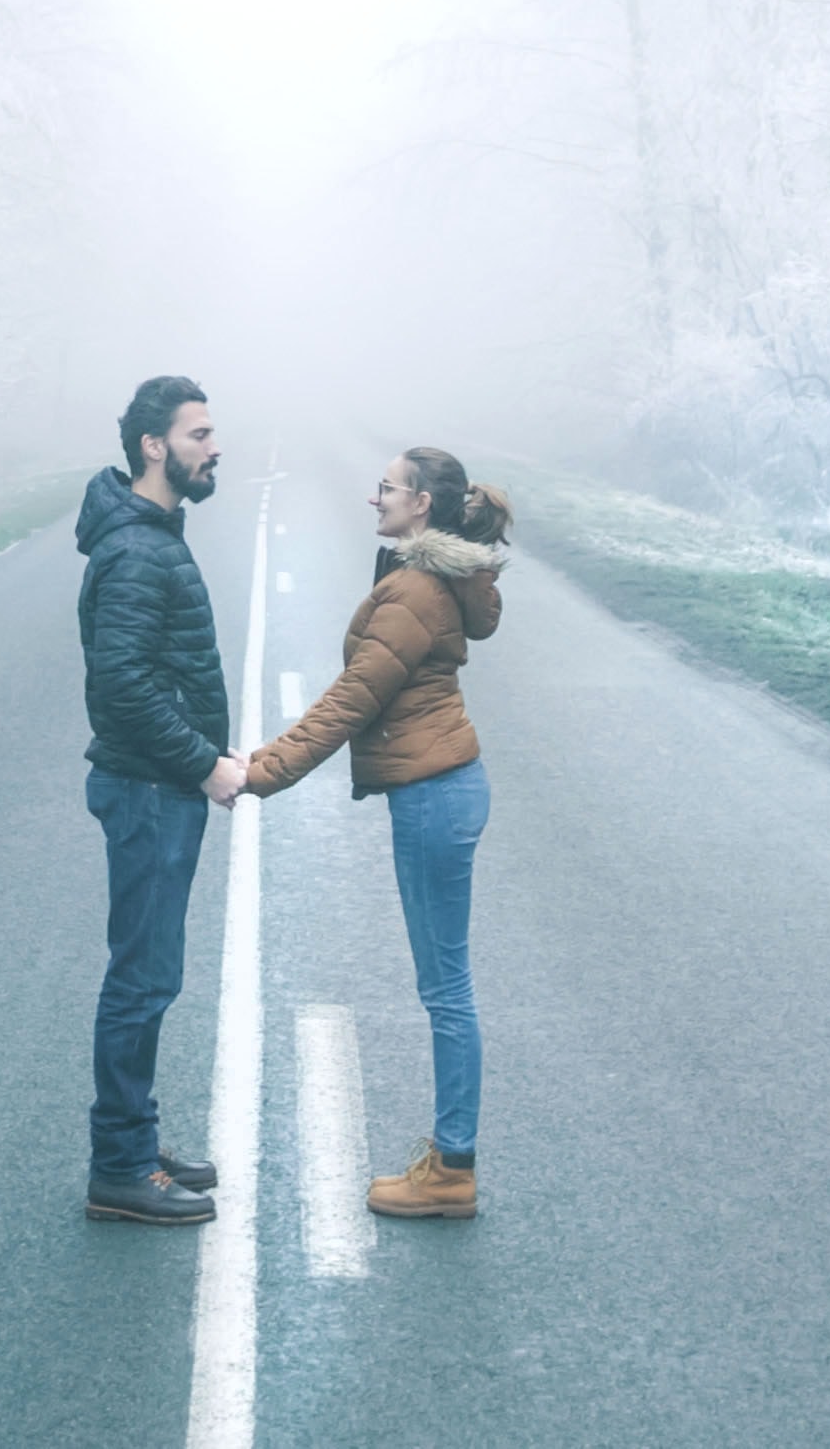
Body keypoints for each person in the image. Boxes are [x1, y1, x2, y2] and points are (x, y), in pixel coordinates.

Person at [239, 446, 508, 1221]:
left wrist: (261, 769)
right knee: (446, 985)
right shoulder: (427, 577)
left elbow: (351, 698)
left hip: (433, 793)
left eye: (387, 488)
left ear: (421, 504)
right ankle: (449, 1158)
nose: (373, 498)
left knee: (446, 989)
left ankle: (451, 1168)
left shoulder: (416, 590)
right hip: (445, 785)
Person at [74, 375, 249, 1225]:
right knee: (141, 980)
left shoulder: (150, 535)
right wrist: (205, 762)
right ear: (154, 445)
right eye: (199, 434)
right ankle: (119, 1167)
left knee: (150, 975)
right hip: (149, 788)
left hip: (157, 784)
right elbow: (124, 688)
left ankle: (134, 1141)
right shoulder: (140, 550)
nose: (215, 448)